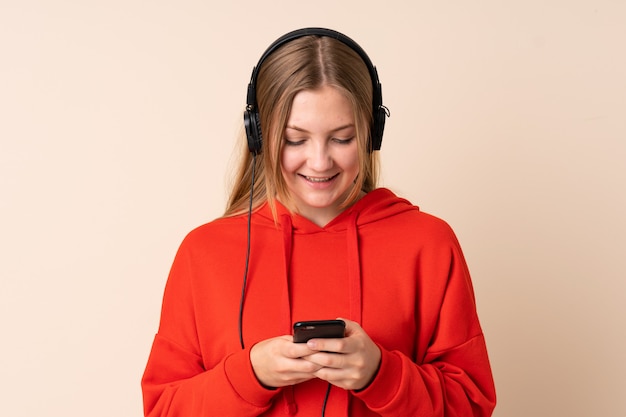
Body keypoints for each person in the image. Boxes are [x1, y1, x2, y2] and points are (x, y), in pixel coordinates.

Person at [141, 27, 496, 417]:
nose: (320, 161)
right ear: (259, 135)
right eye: (296, 140)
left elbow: (471, 405)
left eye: (341, 138)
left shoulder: (429, 243)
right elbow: (164, 410)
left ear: (370, 134)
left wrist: (381, 373)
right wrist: (251, 373)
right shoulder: (203, 252)